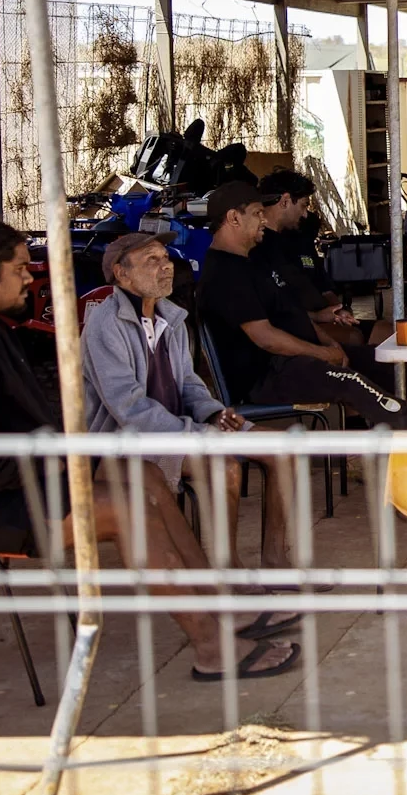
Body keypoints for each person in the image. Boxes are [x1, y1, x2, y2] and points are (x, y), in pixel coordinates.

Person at [0, 219, 299, 680]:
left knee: (146, 477)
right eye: (19, 268)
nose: (28, 277)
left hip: (5, 481)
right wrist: (63, 461)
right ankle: (211, 647)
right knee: (126, 508)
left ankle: (221, 607)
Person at [84, 232, 297, 573]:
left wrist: (213, 414)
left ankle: (276, 562)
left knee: (284, 450)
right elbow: (129, 408)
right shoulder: (105, 323)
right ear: (122, 274)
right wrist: (196, 433)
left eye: (165, 258)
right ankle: (229, 571)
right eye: (152, 260)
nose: (166, 266)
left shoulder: (170, 317)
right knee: (225, 468)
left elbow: (188, 383)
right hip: (126, 443)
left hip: (182, 430)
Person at [197, 182, 407, 425]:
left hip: (295, 359)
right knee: (351, 383)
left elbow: (293, 314)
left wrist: (330, 345)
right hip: (268, 375)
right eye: (257, 213)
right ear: (234, 218)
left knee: (383, 361)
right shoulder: (224, 273)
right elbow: (265, 338)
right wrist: (321, 354)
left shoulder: (253, 261)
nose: (264, 219)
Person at [254, 170, 386, 346]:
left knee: (389, 332)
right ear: (285, 201)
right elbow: (273, 310)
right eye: (303, 206)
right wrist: (316, 317)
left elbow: (324, 286)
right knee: (353, 338)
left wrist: (338, 310)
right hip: (298, 326)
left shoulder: (300, 240)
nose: (305, 214)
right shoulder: (258, 247)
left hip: (325, 318)